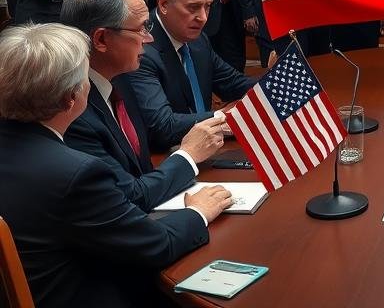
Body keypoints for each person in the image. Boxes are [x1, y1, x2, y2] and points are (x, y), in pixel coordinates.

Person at [0, 22, 233, 307]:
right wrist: (199, 211)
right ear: (71, 98)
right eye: (85, 76)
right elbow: (156, 245)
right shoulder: (75, 175)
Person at [61, 0, 229, 211]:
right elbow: (129, 196)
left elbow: (142, 168)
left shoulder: (119, 77)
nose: (149, 38)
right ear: (101, 39)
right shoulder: (72, 109)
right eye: (141, 28)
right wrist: (189, 154)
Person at [127, 0, 255, 126]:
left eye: (208, 6)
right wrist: (222, 116)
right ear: (164, 4)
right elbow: (162, 124)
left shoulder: (198, 39)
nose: (203, 18)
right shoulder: (140, 50)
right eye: (193, 7)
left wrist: (276, 81)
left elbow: (232, 83)